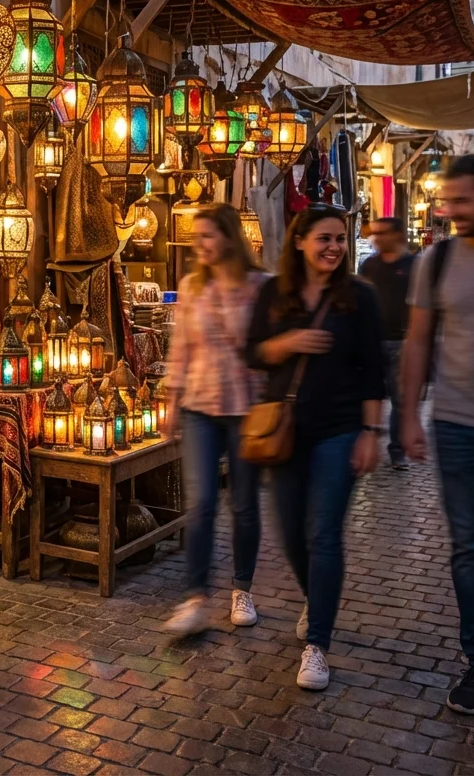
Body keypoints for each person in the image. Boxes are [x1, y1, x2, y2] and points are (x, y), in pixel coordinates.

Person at [246, 205, 384, 691]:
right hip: (286, 430)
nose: (334, 247)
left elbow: (374, 371)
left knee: (323, 533)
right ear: (299, 241)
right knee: (290, 535)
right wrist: (290, 343)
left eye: (341, 240)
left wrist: (372, 433)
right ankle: (316, 598)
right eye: (324, 238)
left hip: (340, 430)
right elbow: (254, 352)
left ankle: (317, 645)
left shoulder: (359, 298)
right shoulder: (273, 293)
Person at [162, 203, 270, 636]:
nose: (199, 244)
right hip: (200, 407)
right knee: (202, 503)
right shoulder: (191, 288)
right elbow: (180, 349)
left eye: (207, 235)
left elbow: (271, 349)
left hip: (248, 410)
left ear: (228, 236)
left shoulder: (262, 287)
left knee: (244, 504)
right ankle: (196, 597)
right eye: (196, 236)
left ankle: (242, 587)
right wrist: (172, 402)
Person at [401, 154, 474, 715]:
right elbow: (418, 341)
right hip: (455, 423)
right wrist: (408, 414)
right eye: (449, 201)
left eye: (464, 200)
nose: (453, 211)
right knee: (468, 550)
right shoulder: (438, 258)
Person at [358, 217, 415, 470]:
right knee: (367, 394)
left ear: (398, 235)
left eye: (383, 233)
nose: (377, 238)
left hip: (401, 342)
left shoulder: (414, 265)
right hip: (371, 341)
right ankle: (364, 440)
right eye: (375, 234)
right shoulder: (369, 264)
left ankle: (397, 451)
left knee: (400, 402)